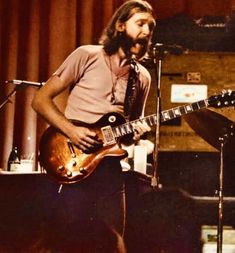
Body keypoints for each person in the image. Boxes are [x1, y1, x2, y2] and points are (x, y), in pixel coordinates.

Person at [32, 0, 156, 251]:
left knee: (114, 241)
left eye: (151, 27)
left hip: (110, 170)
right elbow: (40, 99)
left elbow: (128, 133)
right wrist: (71, 131)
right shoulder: (87, 55)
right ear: (121, 26)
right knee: (67, 242)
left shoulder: (142, 76)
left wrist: (137, 134)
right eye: (140, 24)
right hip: (72, 161)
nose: (146, 31)